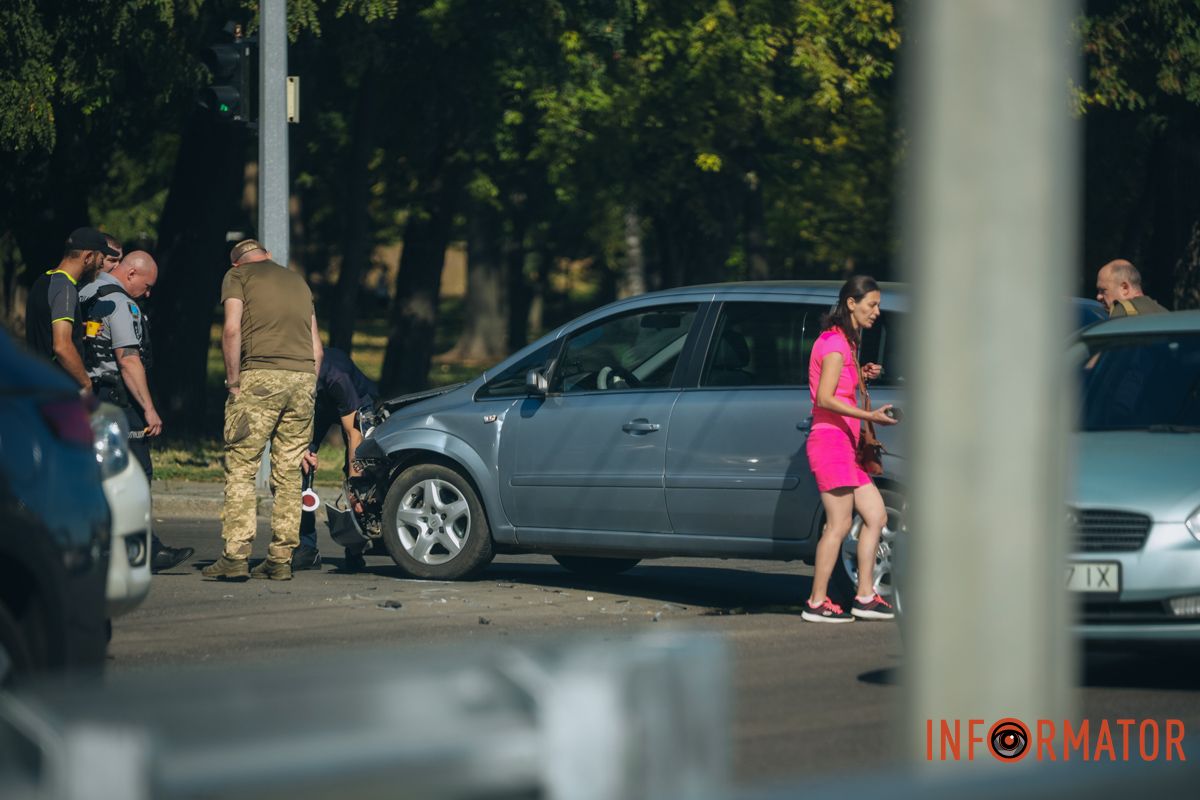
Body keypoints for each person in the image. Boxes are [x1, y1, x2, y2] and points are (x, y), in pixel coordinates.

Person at [203, 239, 323, 582]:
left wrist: (233, 382)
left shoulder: (237, 277)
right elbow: (317, 347)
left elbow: (231, 330)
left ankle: (235, 555)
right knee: (289, 472)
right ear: (267, 256)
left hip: (259, 376)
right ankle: (281, 558)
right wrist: (309, 385)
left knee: (242, 467)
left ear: (237, 263)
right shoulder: (298, 282)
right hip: (303, 380)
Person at [80, 250, 194, 572]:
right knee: (136, 475)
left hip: (90, 396)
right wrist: (149, 408)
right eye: (147, 286)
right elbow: (128, 360)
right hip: (118, 399)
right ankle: (145, 551)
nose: (148, 294)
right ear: (130, 274)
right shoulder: (119, 303)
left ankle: (102, 548)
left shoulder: (85, 293)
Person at [801, 275, 899, 623]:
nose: (877, 311)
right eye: (872, 304)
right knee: (839, 525)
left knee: (876, 515)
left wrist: (861, 375)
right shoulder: (834, 344)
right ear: (851, 304)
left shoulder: (847, 344)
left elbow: (839, 386)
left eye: (878, 305)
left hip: (846, 445)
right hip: (830, 442)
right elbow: (825, 398)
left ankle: (865, 596)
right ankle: (816, 603)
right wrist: (870, 415)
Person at [292, 346, 379, 571]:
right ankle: (306, 548)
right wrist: (303, 450)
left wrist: (355, 484)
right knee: (298, 467)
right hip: (315, 406)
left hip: (356, 403)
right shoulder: (289, 372)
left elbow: (353, 434)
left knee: (362, 473)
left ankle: (355, 547)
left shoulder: (337, 377)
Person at [24, 227, 116, 392]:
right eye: (101, 259)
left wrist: (77, 330)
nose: (102, 265)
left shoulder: (43, 280)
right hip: (56, 390)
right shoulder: (65, 288)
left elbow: (44, 330)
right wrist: (85, 383)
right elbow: (62, 347)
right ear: (88, 257)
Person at [1095, 259, 1168, 317]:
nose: (1098, 296)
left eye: (1103, 290)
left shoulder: (1122, 310)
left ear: (1124, 288)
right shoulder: (1164, 312)